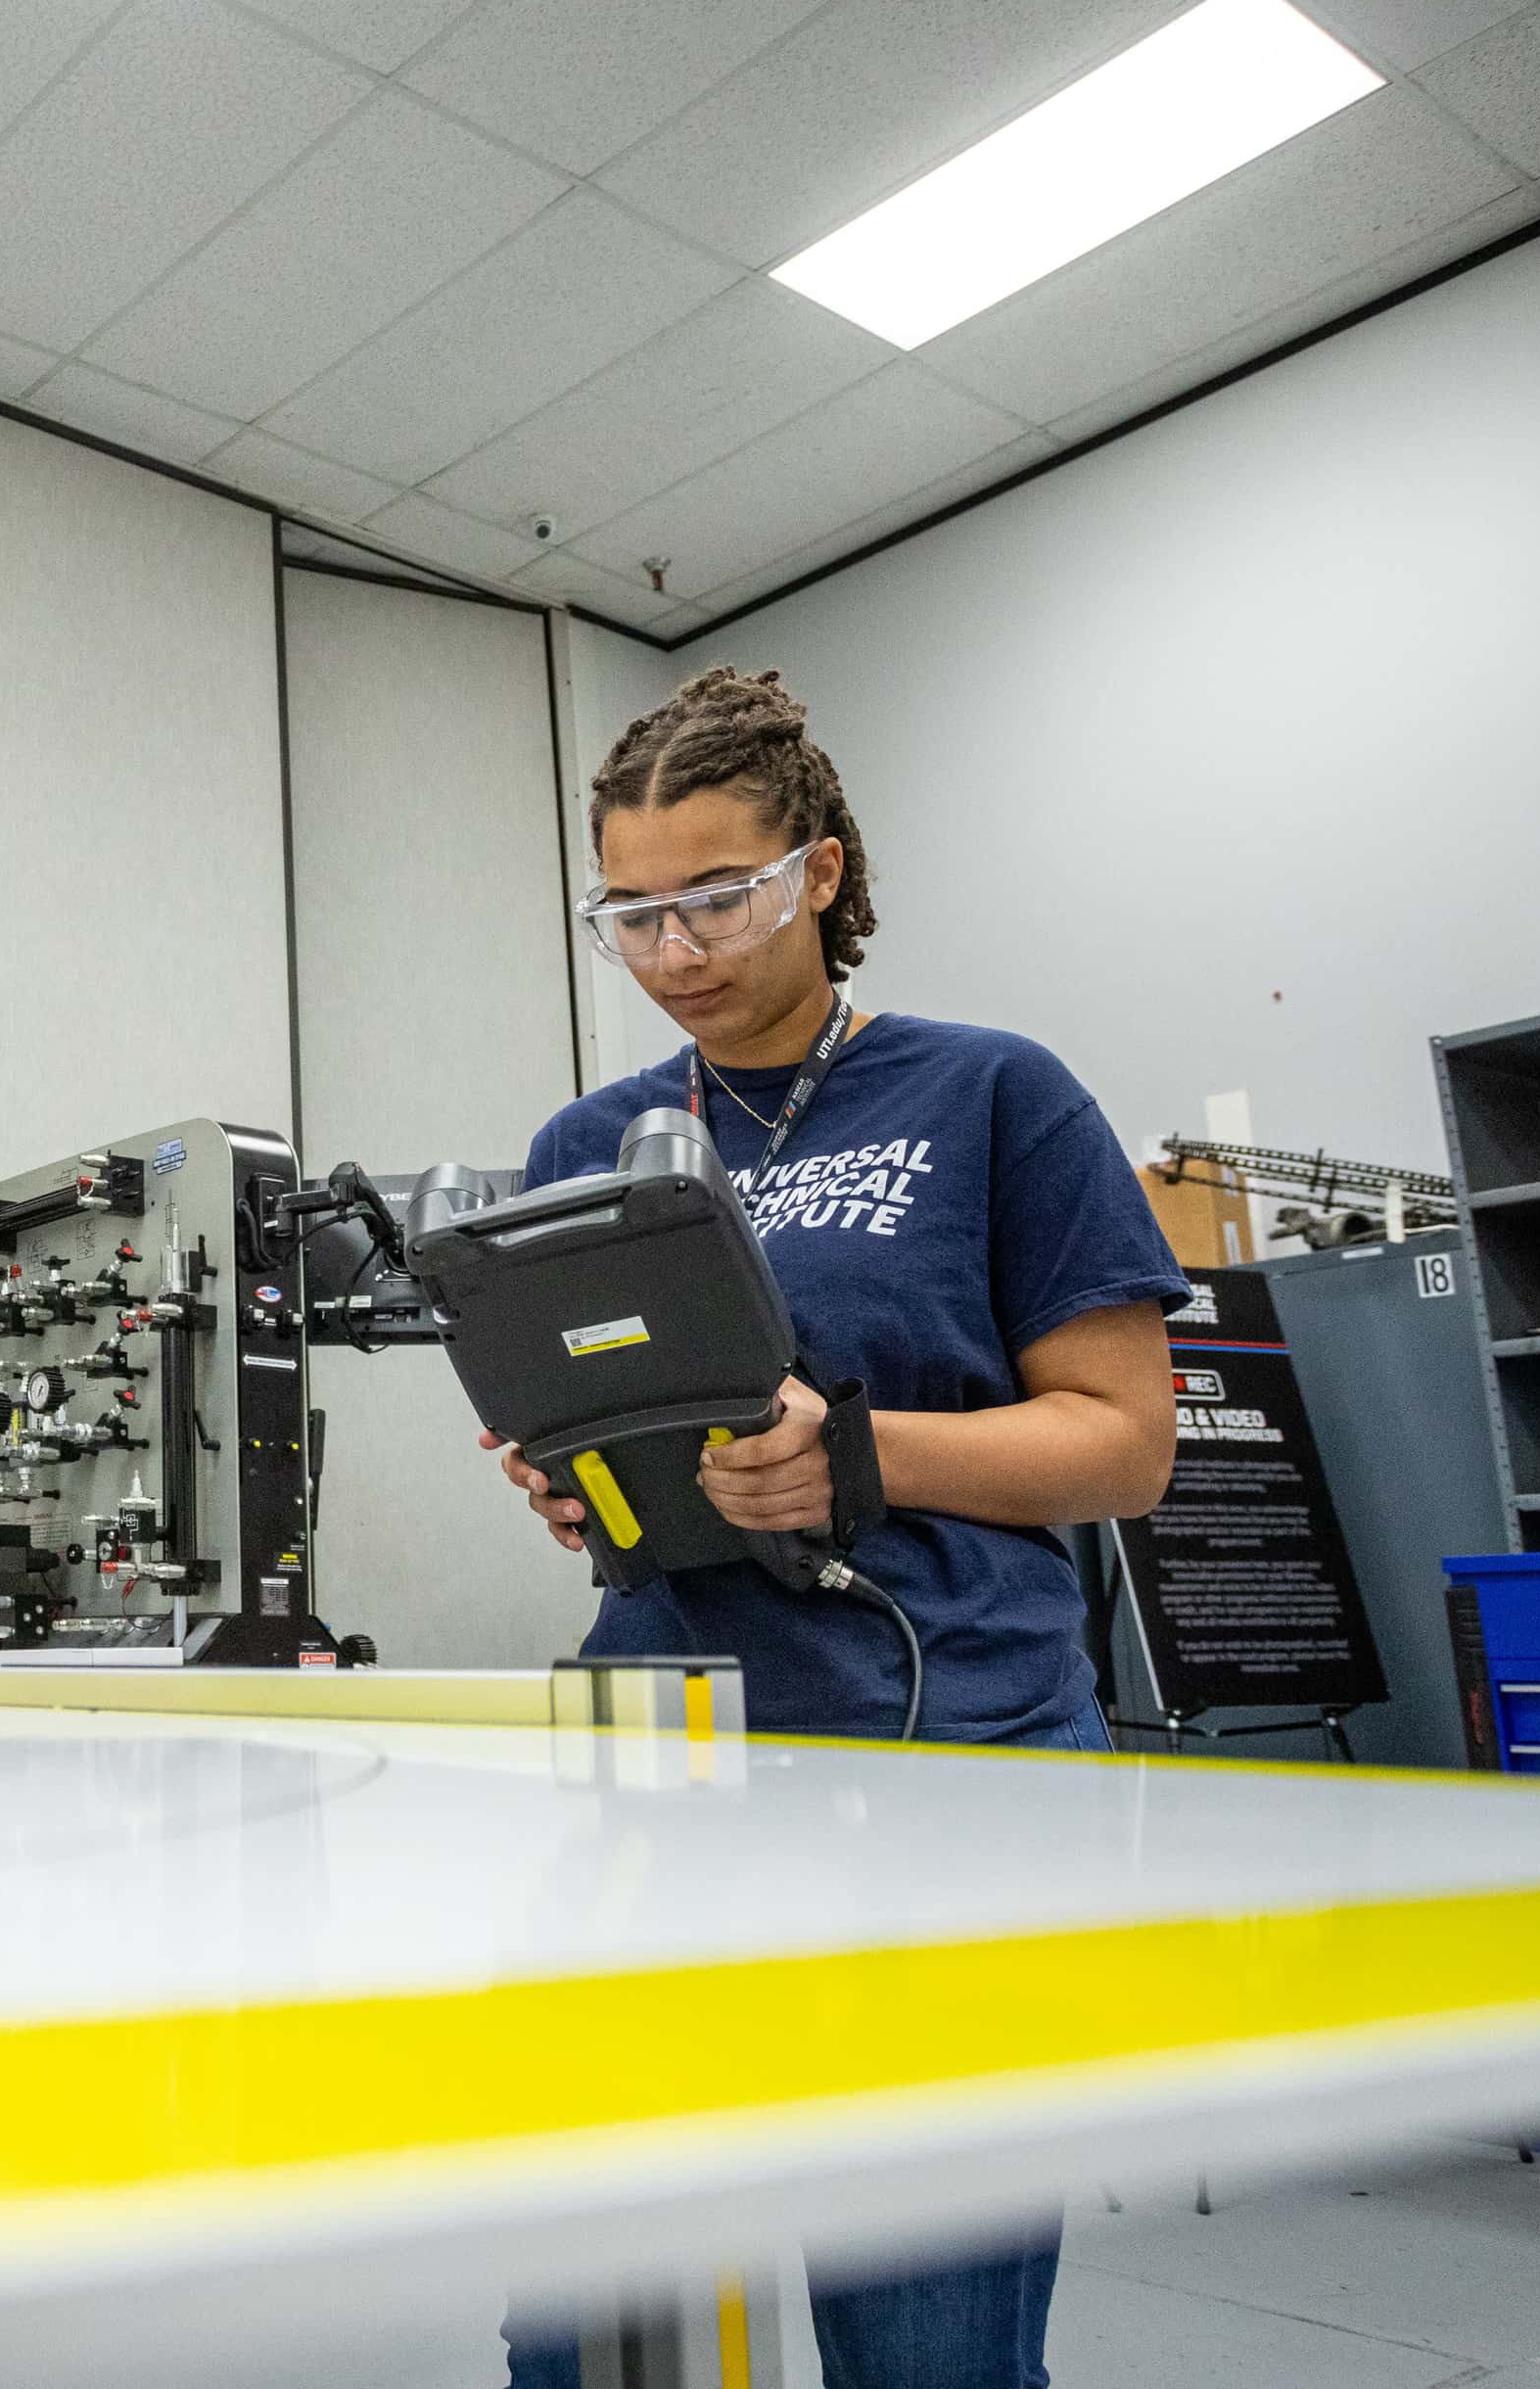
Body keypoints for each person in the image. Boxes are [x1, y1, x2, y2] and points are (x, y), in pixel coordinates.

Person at [493, 667, 1184, 2389]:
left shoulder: (992, 1093)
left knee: (926, 2333)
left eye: (717, 895)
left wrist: (855, 1459)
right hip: (670, 1751)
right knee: (598, 2318)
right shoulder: (591, 1141)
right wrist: (573, 1475)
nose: (677, 950)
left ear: (818, 867)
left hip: (949, 1741)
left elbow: (1124, 1449)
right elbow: (624, 1451)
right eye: (631, 914)